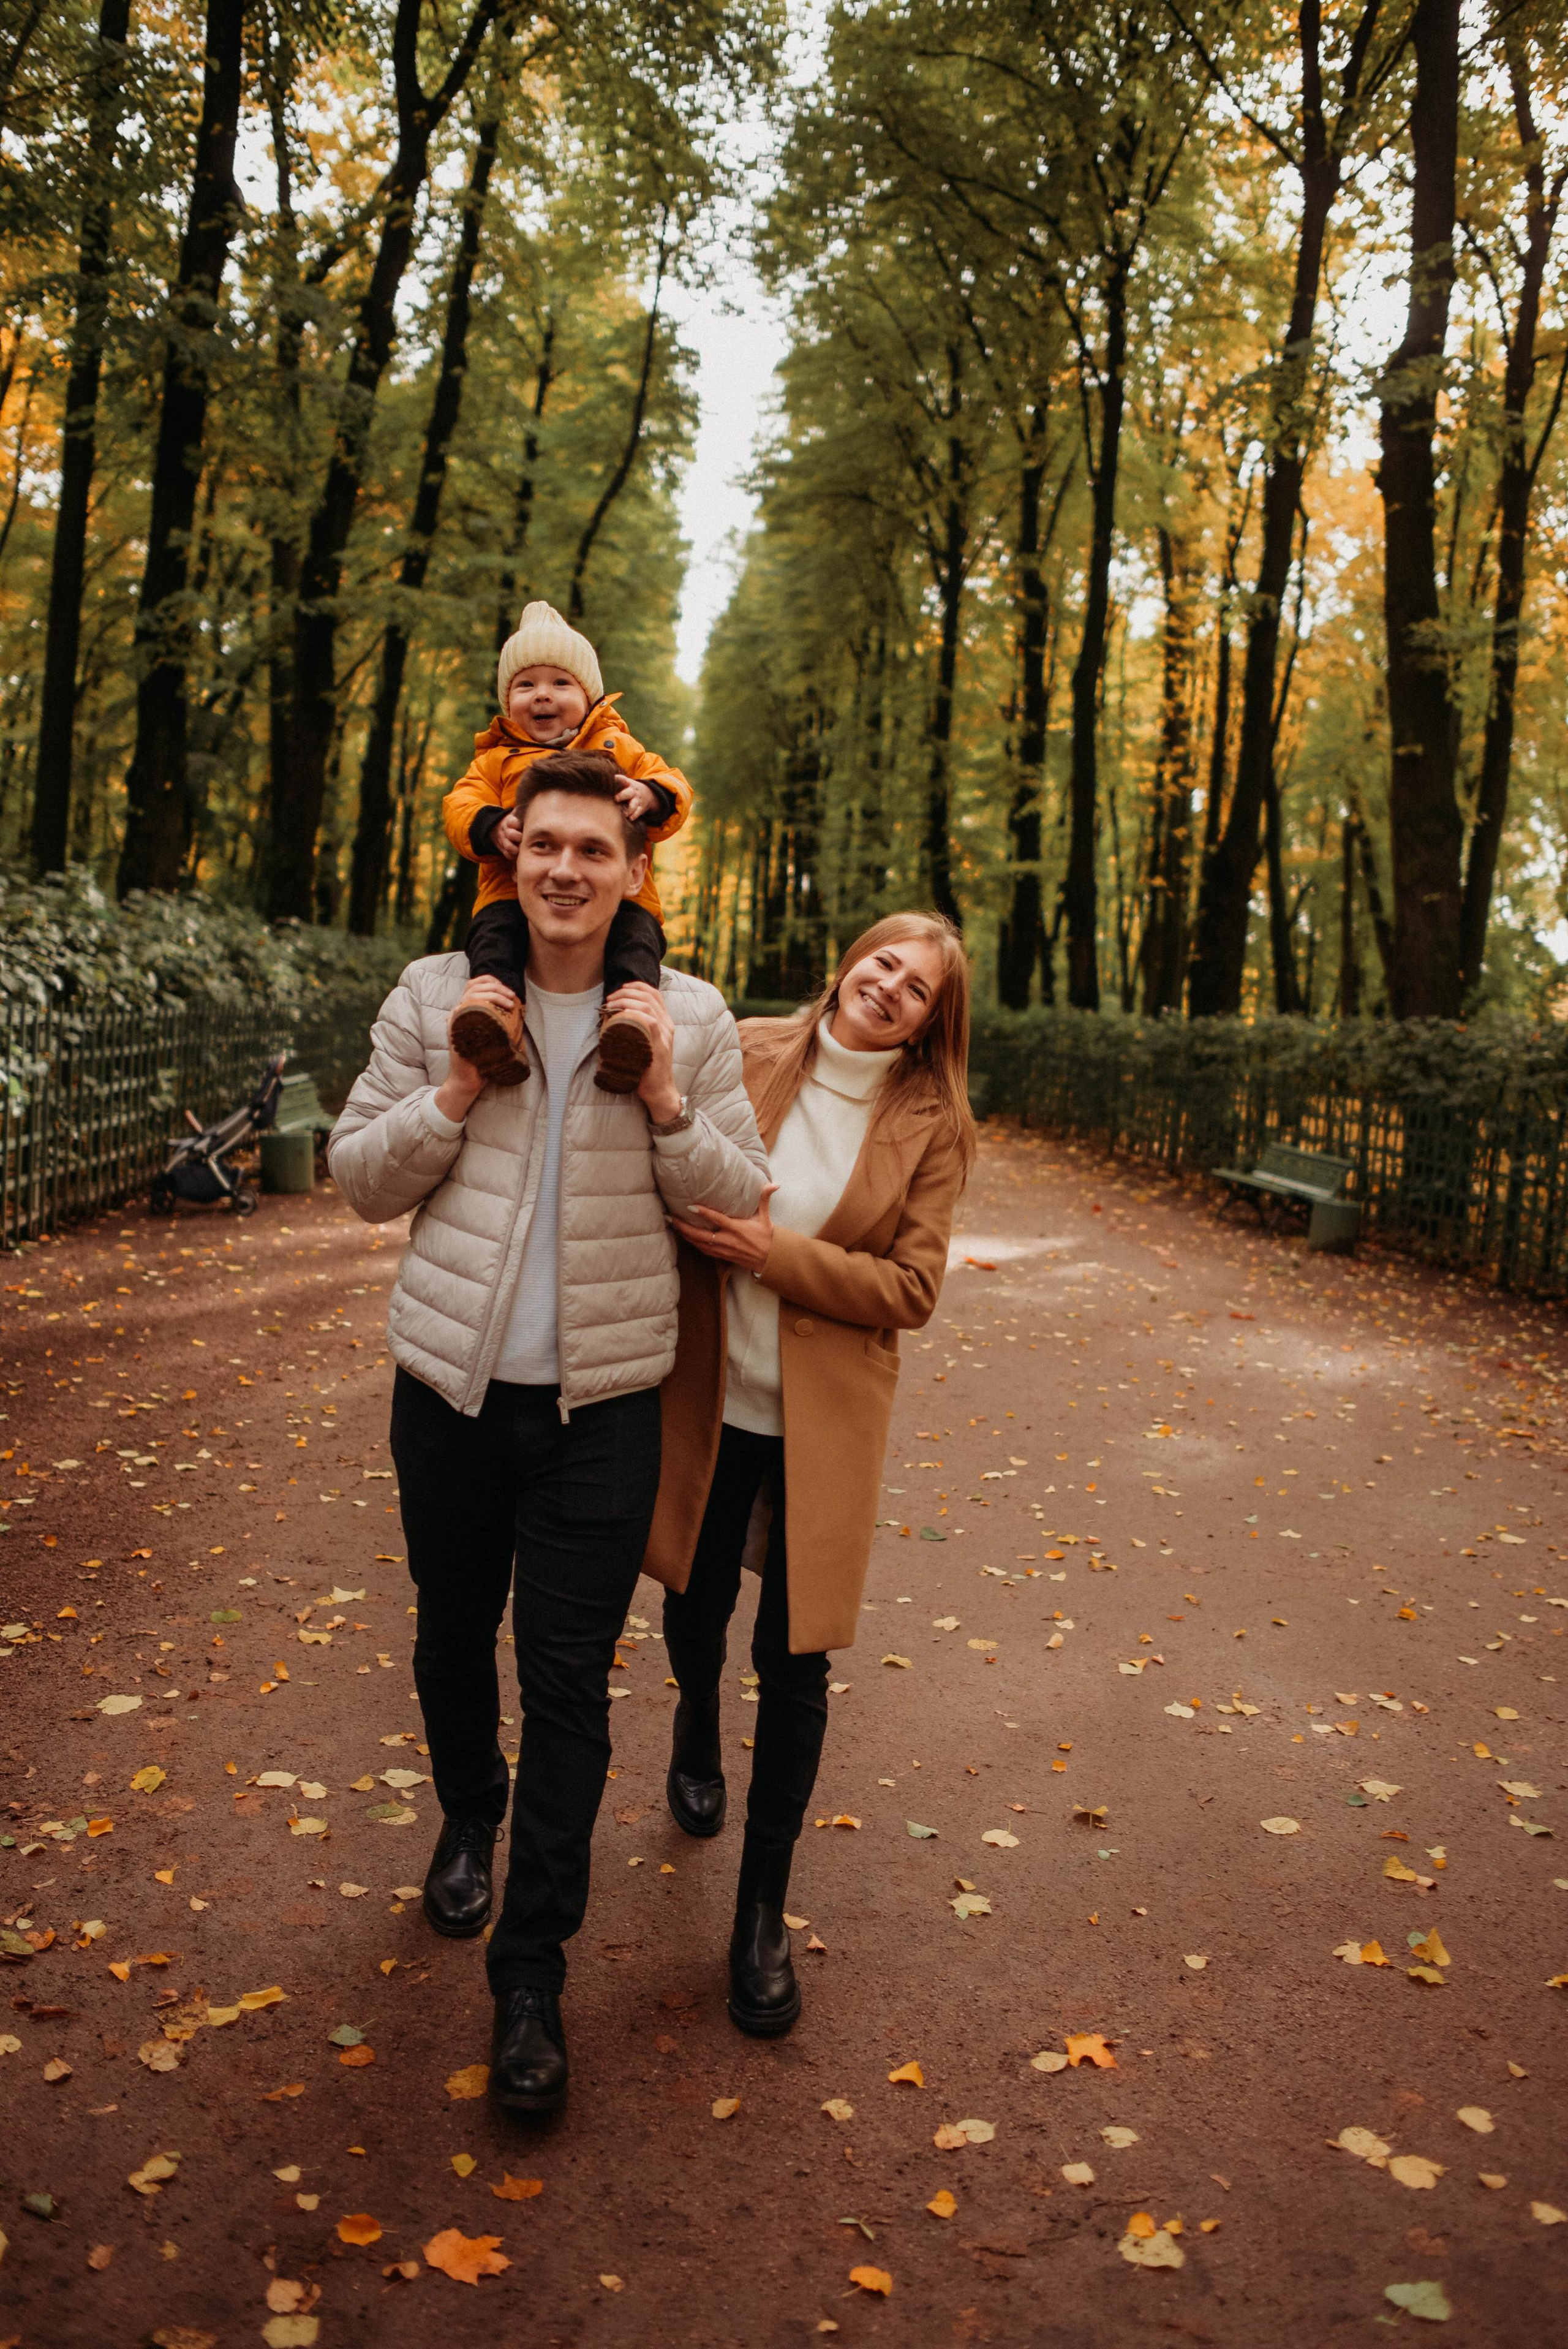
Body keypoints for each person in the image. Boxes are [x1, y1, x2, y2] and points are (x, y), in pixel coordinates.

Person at [328, 749, 766, 2116]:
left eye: (596, 851)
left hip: (604, 1409)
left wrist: (668, 1103)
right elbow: (355, 1178)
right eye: (547, 848)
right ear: (511, 856)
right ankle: (470, 1806)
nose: (568, 870)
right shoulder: (434, 996)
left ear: (632, 871)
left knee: (571, 1685)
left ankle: (532, 1979)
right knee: (451, 1634)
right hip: (448, 1395)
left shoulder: (688, 1017)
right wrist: (456, 1092)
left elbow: (744, 1193)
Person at [642, 913, 975, 2037]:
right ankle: (694, 1716)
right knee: (694, 1599)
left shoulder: (933, 1123)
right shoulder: (742, 1046)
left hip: (818, 1424)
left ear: (932, 1021)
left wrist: (771, 1255)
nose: (890, 987)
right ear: (848, 958)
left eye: (917, 987)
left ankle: (762, 1914)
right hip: (708, 1391)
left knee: (795, 1663)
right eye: (883, 961)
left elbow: (913, 1288)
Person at [441, 600, 692, 1095]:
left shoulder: (620, 748)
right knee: (494, 948)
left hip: (623, 899)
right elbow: (458, 806)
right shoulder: (495, 761)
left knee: (636, 950)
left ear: (590, 696)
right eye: (525, 685)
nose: (542, 697)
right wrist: (491, 827)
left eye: (560, 684)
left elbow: (675, 784)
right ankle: (495, 1025)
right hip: (506, 891)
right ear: (506, 699)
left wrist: (652, 795)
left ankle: (629, 1029)